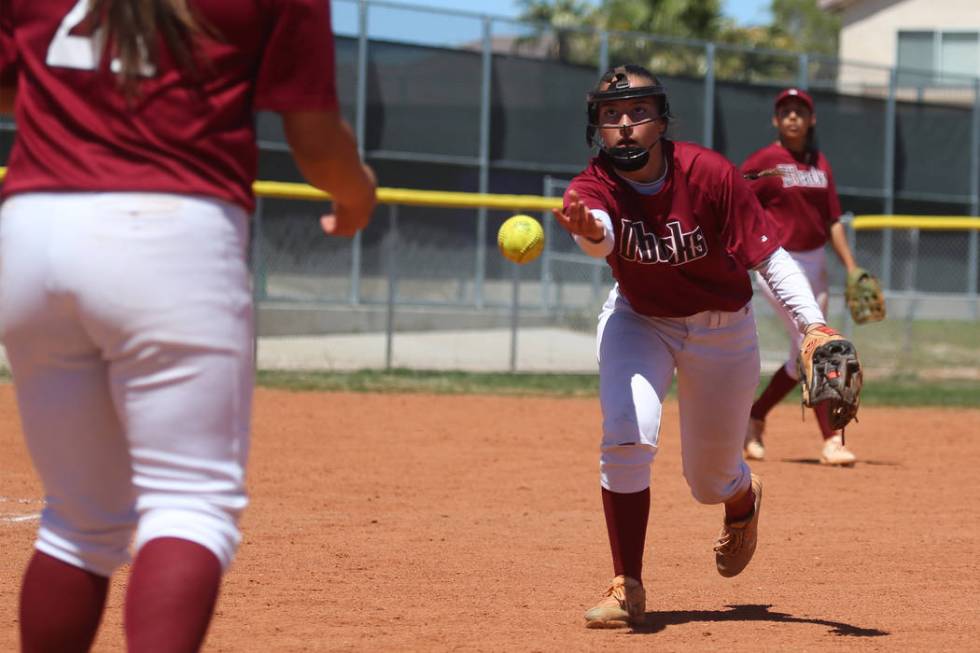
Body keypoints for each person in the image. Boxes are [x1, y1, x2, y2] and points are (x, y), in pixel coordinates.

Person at [0, 1, 376, 651]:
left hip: (32, 229)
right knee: (189, 504)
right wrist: (357, 193)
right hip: (170, 226)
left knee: (76, 522)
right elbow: (313, 137)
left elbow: (15, 83)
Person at [551, 65, 835, 629]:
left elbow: (768, 257)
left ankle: (740, 498)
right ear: (596, 129)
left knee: (708, 481)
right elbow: (601, 234)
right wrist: (588, 231)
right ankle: (627, 584)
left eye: (638, 112)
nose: (625, 125)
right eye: (611, 116)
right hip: (641, 318)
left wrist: (813, 326)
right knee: (627, 433)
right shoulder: (591, 188)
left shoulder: (709, 173)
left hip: (722, 328)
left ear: (660, 119)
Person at [740, 88, 860, 466]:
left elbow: (833, 221)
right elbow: (735, 200)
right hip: (778, 263)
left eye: (800, 111)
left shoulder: (819, 165)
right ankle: (831, 440)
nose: (792, 117)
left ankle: (754, 416)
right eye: (785, 111)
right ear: (776, 120)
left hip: (816, 264)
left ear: (811, 120)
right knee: (818, 345)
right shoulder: (765, 160)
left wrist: (852, 267)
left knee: (798, 359)